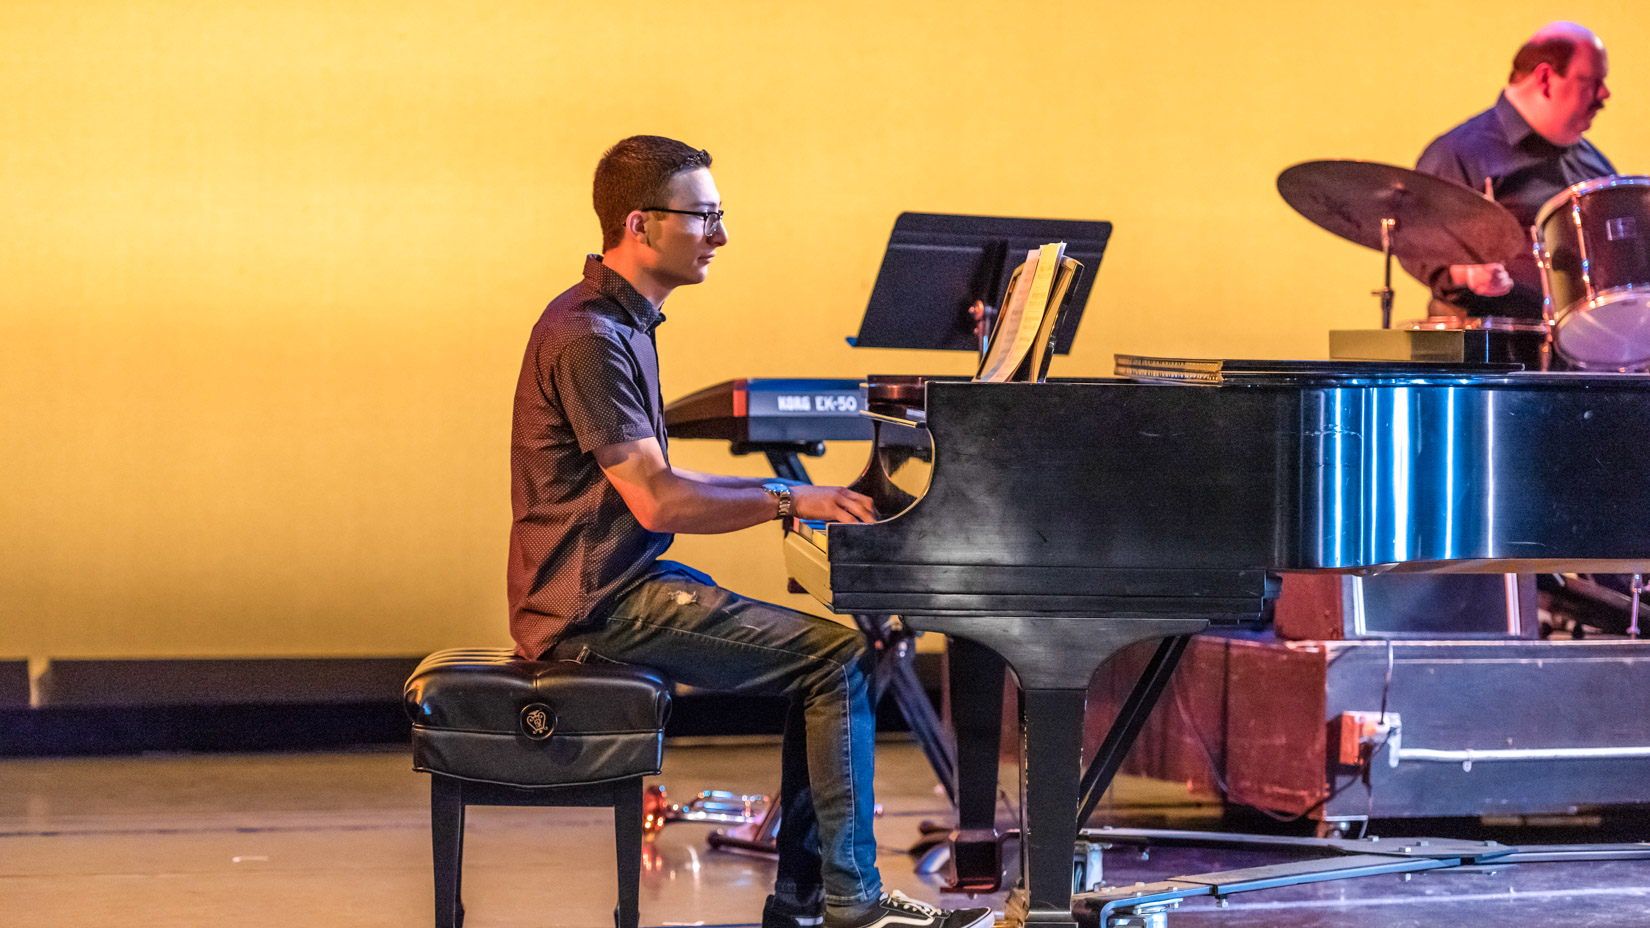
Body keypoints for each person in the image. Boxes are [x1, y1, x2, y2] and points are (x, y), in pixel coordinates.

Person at [507, 135, 992, 928]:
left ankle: (806, 899)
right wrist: (790, 500)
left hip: (620, 586)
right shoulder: (589, 337)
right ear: (639, 224)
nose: (721, 236)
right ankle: (852, 902)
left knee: (823, 663)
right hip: (593, 609)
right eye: (705, 216)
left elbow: (662, 487)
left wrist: (797, 496)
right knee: (836, 659)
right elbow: (659, 503)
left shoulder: (620, 323)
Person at [1402, 21, 1614, 322]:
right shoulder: (1459, 153)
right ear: (1545, 79)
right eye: (1591, 81)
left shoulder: (1597, 167)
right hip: (1492, 354)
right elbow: (1415, 245)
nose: (1605, 94)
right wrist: (1466, 274)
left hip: (1588, 351)